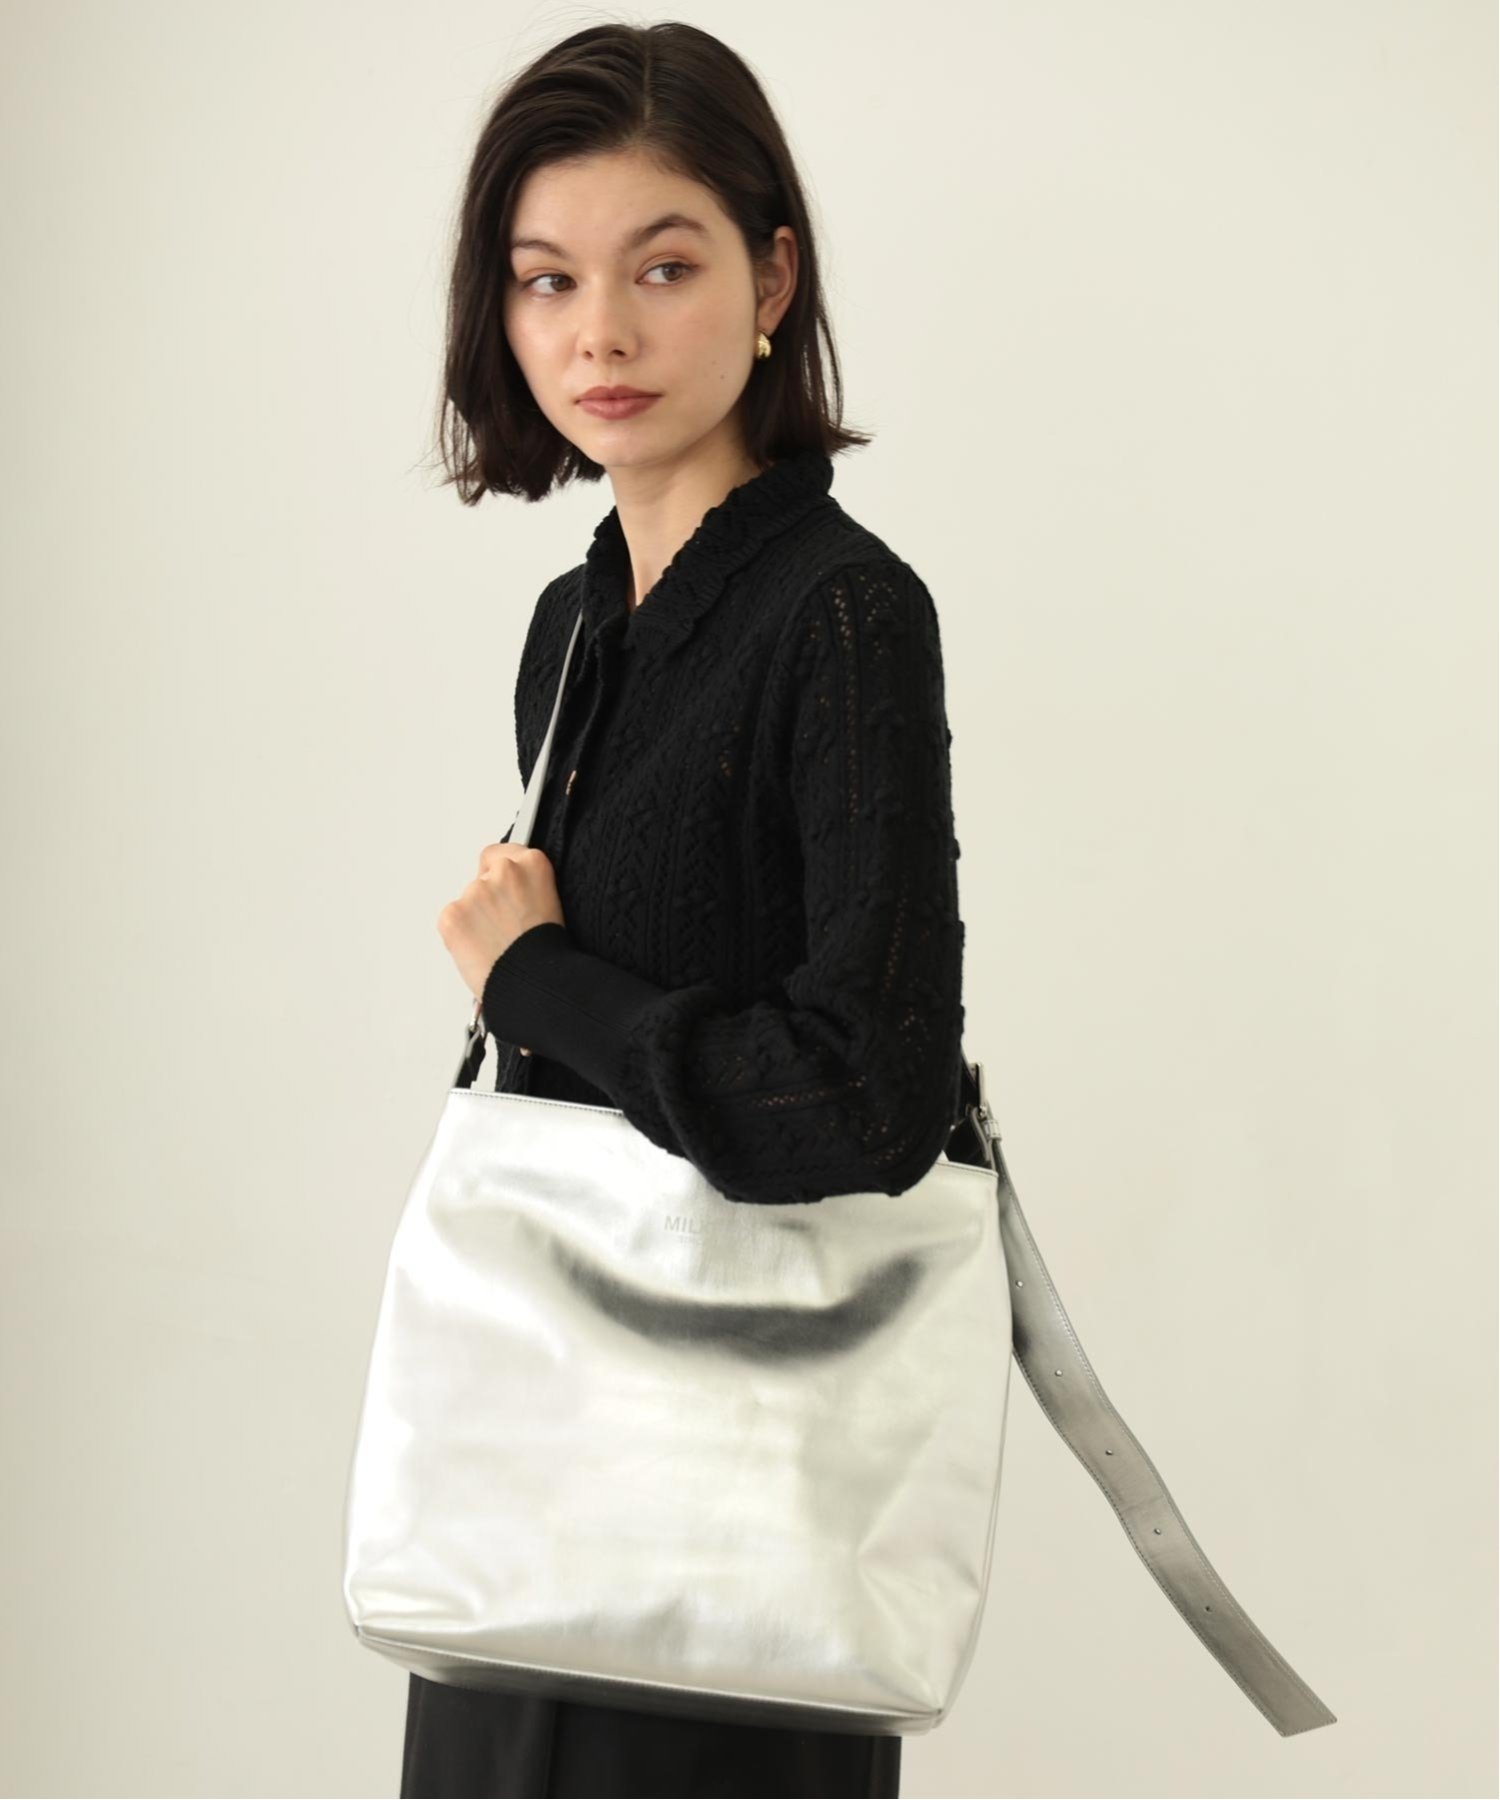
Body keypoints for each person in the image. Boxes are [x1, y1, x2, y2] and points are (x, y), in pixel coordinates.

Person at [405, 19, 985, 1798]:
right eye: (548, 279)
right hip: (534, 1487)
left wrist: (541, 984)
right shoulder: (575, 630)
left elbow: (869, 1092)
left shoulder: (844, 615)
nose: (600, 333)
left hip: (739, 1527)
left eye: (663, 267)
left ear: (770, 281)